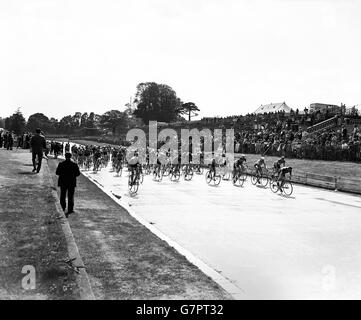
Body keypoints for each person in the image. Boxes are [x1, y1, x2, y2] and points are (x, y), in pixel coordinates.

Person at [56, 152, 81, 218]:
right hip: (71, 182)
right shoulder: (74, 164)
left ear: (65, 156)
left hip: (63, 182)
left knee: (62, 195)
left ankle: (62, 207)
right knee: (70, 196)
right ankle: (70, 209)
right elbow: (78, 173)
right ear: (71, 156)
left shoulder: (61, 164)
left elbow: (57, 172)